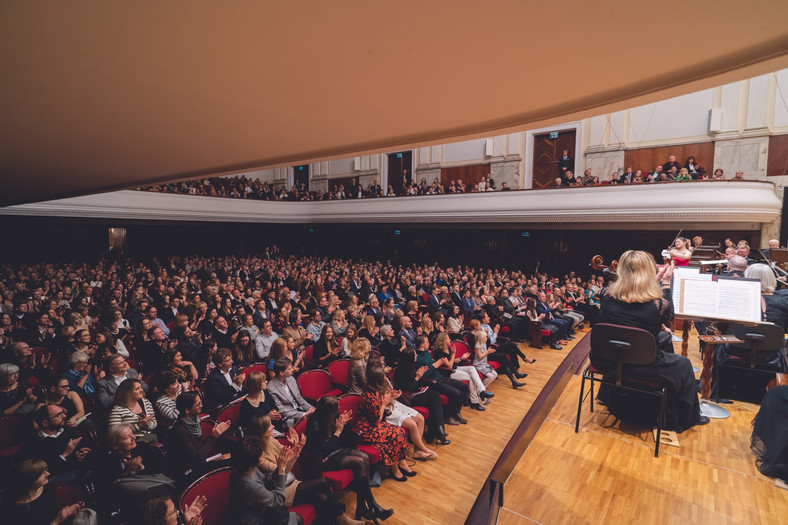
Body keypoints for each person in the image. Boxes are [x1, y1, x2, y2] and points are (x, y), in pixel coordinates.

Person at [595, 250, 707, 432]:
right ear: (648, 272)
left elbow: (629, 310)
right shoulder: (658, 305)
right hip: (642, 364)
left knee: (661, 338)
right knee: (684, 363)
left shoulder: (606, 295)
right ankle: (685, 416)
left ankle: (611, 397)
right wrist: (665, 283)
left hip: (607, 358)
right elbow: (668, 317)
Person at [248, 414, 364, 525]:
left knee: (322, 498)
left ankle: (336, 520)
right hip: (279, 491)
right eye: (269, 425)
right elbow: (281, 473)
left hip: (289, 481)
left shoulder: (271, 440)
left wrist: (297, 447)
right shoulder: (258, 456)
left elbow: (288, 459)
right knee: (322, 482)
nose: (273, 426)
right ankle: (340, 517)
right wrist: (291, 456)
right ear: (261, 430)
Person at [304, 396, 394, 522]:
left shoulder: (334, 417)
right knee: (359, 461)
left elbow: (348, 442)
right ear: (328, 411)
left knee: (364, 457)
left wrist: (345, 426)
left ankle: (364, 507)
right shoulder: (314, 423)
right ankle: (371, 506)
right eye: (337, 408)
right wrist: (338, 432)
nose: (339, 409)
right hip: (323, 458)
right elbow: (324, 450)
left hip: (335, 450)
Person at [2, 459, 84, 524]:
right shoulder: (15, 511)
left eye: (45, 470)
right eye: (40, 474)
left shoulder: (47, 487)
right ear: (30, 482)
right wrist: (56, 521)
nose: (48, 473)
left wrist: (67, 512)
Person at [267, 358, 315, 428]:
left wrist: (311, 409)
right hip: (289, 417)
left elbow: (300, 399)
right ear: (281, 373)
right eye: (289, 369)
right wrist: (304, 414)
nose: (292, 370)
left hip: (300, 408)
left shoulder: (291, 378)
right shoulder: (271, 388)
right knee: (312, 424)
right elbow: (282, 411)